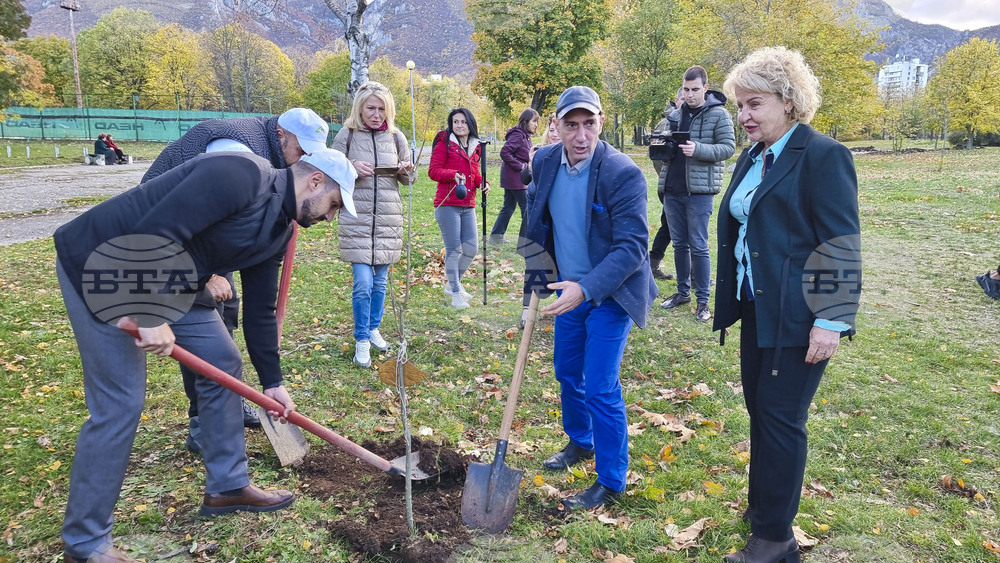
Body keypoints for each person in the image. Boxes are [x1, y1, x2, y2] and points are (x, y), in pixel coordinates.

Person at [55, 148, 357, 563]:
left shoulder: (279, 232)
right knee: (121, 404)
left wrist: (274, 382)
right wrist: (144, 309)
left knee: (222, 361)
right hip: (105, 265)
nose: (329, 218)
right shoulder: (238, 173)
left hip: (175, 281)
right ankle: (85, 543)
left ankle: (227, 486)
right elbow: (156, 229)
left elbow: (261, 310)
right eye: (334, 205)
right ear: (316, 181)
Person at [715, 46, 861, 562]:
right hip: (758, 309)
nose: (744, 115)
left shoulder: (822, 155)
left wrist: (830, 321)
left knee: (780, 417)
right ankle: (765, 511)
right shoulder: (754, 156)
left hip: (801, 318)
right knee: (761, 412)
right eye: (739, 106)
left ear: (789, 100)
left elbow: (840, 242)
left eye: (754, 104)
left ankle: (776, 540)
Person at [143, 107, 331, 453]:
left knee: (227, 314)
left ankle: (224, 408)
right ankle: (203, 422)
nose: (302, 162)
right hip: (161, 234)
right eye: (301, 153)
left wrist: (272, 381)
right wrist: (208, 277)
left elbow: (261, 308)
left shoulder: (275, 174)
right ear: (281, 135)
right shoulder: (236, 152)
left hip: (212, 236)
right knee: (207, 324)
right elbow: (196, 213)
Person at [521, 86, 658, 510]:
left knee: (600, 385)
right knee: (566, 371)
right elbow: (534, 225)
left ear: (601, 121)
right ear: (556, 127)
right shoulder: (543, 162)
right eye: (571, 125)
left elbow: (633, 247)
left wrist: (587, 287)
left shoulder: (622, 172)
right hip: (568, 289)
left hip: (612, 293)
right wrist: (537, 280)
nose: (581, 136)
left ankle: (612, 481)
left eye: (589, 124)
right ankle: (581, 441)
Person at [332, 82, 414, 367]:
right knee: (363, 284)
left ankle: (374, 328)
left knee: (380, 283)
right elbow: (329, 170)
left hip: (388, 220)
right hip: (357, 218)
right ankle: (362, 339)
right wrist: (350, 166)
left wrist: (406, 171)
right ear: (360, 108)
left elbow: (409, 180)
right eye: (371, 108)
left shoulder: (396, 137)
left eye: (381, 109)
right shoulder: (347, 135)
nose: (376, 114)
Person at [659, 65, 736, 322]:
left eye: (694, 90)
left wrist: (699, 149)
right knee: (679, 244)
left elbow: (728, 148)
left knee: (699, 246)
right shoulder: (675, 114)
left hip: (700, 191)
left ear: (705, 88)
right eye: (686, 90)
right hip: (672, 188)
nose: (690, 95)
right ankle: (682, 293)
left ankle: (703, 301)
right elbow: (665, 145)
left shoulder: (719, 115)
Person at [428, 108, 490, 309]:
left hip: (468, 203)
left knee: (471, 249)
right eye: (456, 122)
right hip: (447, 203)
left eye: (463, 122)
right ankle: (455, 293)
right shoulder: (444, 143)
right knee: (454, 249)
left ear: (470, 123)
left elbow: (473, 172)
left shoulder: (475, 146)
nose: (459, 125)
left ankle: (453, 283)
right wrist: (452, 174)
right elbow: (433, 171)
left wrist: (482, 182)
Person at [489, 108, 539, 245]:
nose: (536, 125)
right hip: (515, 179)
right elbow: (505, 153)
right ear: (526, 120)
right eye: (534, 121)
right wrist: (521, 167)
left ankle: (496, 236)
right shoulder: (518, 135)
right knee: (527, 208)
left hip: (514, 178)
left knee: (509, 206)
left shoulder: (525, 136)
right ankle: (525, 242)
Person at [648, 89, 683, 281]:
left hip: (686, 186)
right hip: (670, 186)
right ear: (676, 100)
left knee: (669, 225)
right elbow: (656, 155)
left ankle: (652, 264)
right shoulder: (666, 123)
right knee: (677, 227)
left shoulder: (693, 119)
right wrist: (667, 177)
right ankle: (693, 275)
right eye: (683, 98)